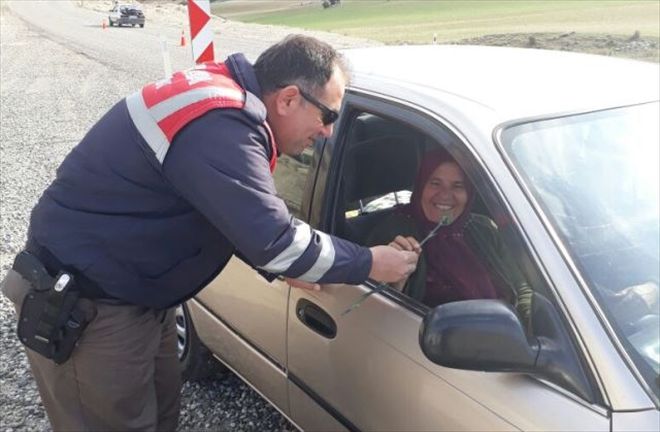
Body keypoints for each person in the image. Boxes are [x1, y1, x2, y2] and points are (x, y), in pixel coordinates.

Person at [0, 35, 418, 431]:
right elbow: (276, 242)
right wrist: (370, 262)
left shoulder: (224, 96)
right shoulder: (220, 123)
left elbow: (227, 211)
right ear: (289, 98)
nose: (328, 131)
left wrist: (281, 259)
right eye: (328, 116)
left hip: (136, 295)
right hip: (90, 306)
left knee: (159, 415)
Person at [366, 148, 532, 319]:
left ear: (469, 193)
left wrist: (529, 326)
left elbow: (520, 289)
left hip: (506, 335)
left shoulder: (482, 228)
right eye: (435, 183)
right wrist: (394, 282)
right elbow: (372, 313)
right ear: (421, 186)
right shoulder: (394, 233)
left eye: (458, 186)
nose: (445, 195)